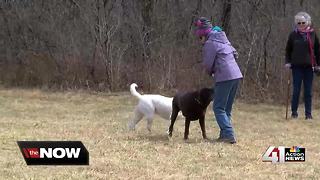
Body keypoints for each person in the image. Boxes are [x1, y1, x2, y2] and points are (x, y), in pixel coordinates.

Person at [194, 17, 243, 144]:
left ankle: (228, 134)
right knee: (226, 108)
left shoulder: (210, 43)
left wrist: (210, 71)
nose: (200, 39)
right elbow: (235, 54)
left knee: (218, 108)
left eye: (200, 36)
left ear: (203, 33)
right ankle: (224, 135)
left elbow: (208, 63)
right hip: (236, 75)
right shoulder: (223, 39)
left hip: (224, 76)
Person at [285, 12, 320, 120]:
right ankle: (294, 113)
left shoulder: (312, 34)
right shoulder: (293, 34)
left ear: (308, 22)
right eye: (298, 23)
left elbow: (318, 51)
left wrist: (318, 64)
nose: (301, 24)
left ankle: (308, 114)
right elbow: (288, 50)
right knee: (296, 90)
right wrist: (288, 61)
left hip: (309, 67)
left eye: (303, 22)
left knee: (308, 91)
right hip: (296, 67)